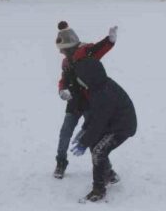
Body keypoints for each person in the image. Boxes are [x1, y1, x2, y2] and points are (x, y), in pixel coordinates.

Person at [69, 50, 137, 203]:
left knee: (99, 151)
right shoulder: (97, 87)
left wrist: (84, 142)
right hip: (112, 123)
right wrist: (84, 129)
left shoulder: (103, 93)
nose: (79, 80)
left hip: (123, 127)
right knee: (96, 146)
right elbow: (94, 114)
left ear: (89, 76)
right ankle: (109, 175)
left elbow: (99, 122)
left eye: (80, 77)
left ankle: (98, 190)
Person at [53, 21, 118, 180]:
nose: (61, 53)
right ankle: (61, 162)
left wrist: (109, 40)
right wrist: (62, 90)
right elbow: (64, 79)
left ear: (70, 46)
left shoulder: (86, 51)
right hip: (74, 102)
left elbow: (99, 48)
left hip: (91, 102)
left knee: (93, 136)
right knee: (65, 133)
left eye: (63, 50)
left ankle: (107, 170)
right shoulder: (66, 62)